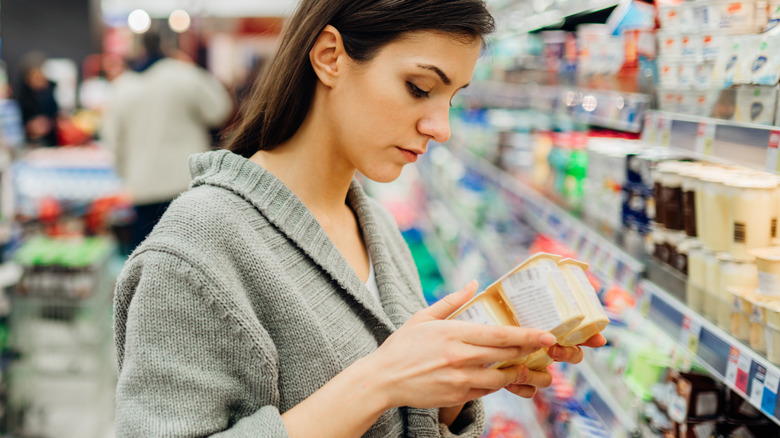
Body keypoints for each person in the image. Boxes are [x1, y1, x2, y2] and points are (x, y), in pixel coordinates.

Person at [112, 1, 607, 436]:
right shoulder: (195, 251)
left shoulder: (375, 226)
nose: (441, 128)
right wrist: (381, 379)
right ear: (330, 56)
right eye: (419, 88)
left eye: (451, 98)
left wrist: (456, 382)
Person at [101, 31, 233, 253]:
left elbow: (113, 140)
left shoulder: (122, 88)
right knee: (192, 257)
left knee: (146, 261)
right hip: (186, 184)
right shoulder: (185, 75)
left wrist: (126, 175)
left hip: (143, 186)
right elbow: (220, 110)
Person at [16, 51, 60, 146]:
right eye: (36, 77)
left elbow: (58, 116)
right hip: (28, 144)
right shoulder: (21, 97)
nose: (40, 81)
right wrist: (29, 128)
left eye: (41, 77)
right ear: (27, 78)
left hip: (51, 143)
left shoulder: (53, 91)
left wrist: (53, 123)